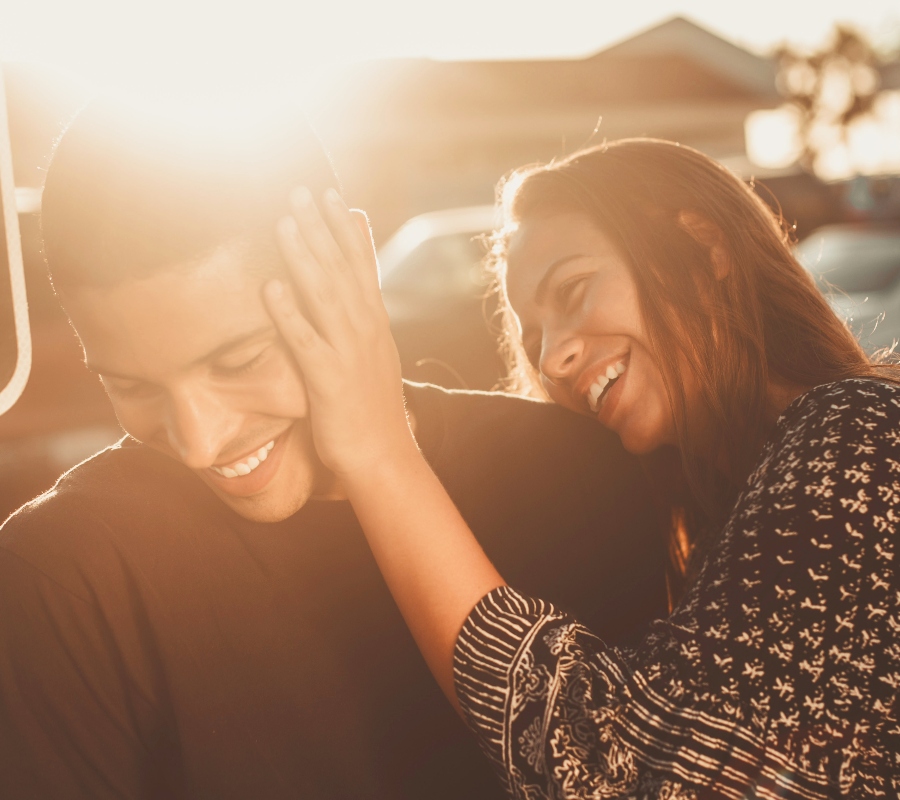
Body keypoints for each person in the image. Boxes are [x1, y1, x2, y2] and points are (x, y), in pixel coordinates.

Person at [0, 105, 670, 799]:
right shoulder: (58, 582)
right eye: (130, 385)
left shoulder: (575, 479)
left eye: (239, 360)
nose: (199, 441)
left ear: (350, 272)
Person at [264, 138, 900, 798]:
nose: (553, 358)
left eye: (572, 290)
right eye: (531, 334)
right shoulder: (721, 520)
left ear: (704, 247)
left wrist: (380, 452)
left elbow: (634, 770)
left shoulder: (860, 431)